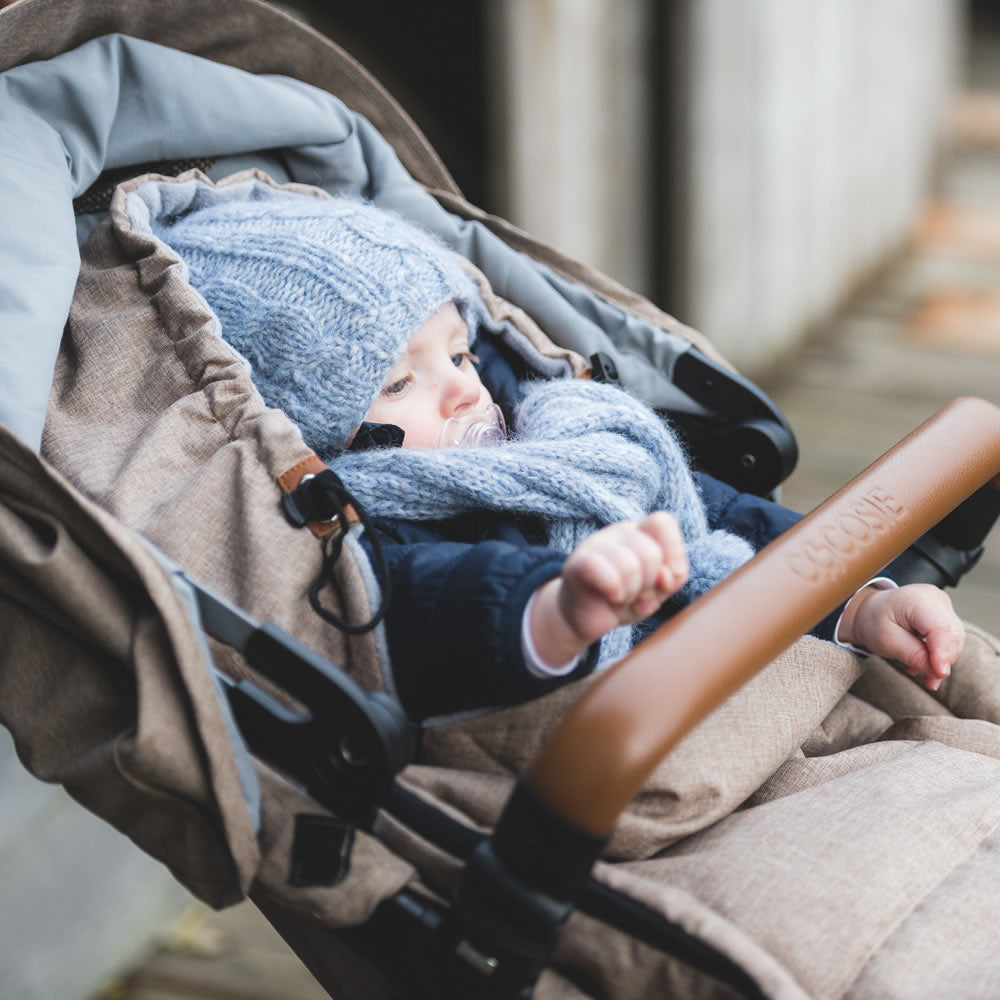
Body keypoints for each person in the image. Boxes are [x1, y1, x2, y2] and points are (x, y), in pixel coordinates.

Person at [150, 179, 965, 720]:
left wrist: (858, 601)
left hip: (766, 672)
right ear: (322, 436)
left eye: (460, 354)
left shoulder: (561, 435)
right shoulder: (374, 530)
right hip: (618, 740)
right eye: (399, 386)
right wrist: (560, 610)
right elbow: (428, 611)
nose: (466, 389)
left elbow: (719, 516)